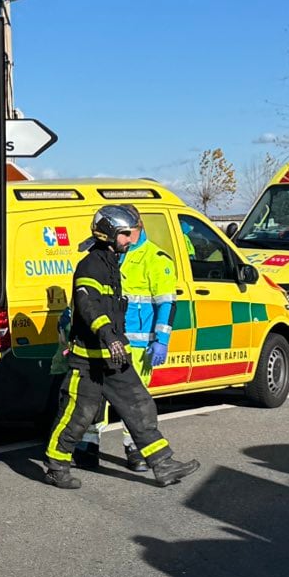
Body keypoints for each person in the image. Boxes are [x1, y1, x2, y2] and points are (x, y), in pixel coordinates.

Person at [42, 204, 201, 491]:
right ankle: (56, 466)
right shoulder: (92, 264)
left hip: (114, 356)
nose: (131, 239)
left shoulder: (112, 261)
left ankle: (163, 464)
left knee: (140, 405)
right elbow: (87, 303)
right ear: (110, 233)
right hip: (89, 360)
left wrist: (120, 340)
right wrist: (107, 334)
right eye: (125, 234)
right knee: (79, 413)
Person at [69, 215, 177, 474]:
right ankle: (87, 448)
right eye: (125, 232)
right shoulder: (109, 255)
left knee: (134, 402)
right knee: (94, 400)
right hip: (104, 340)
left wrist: (161, 340)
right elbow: (89, 298)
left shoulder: (155, 258)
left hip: (138, 345)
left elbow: (167, 303)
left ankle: (137, 452)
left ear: (140, 228)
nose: (129, 237)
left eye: (133, 231)